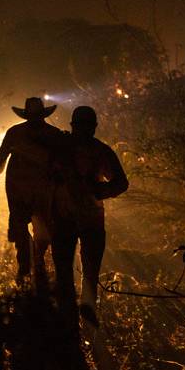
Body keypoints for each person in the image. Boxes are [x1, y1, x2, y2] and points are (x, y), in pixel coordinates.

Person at [51, 106, 128, 328]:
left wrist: (94, 190)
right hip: (73, 217)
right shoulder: (66, 149)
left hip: (83, 218)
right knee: (75, 272)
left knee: (83, 272)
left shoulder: (96, 151)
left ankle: (80, 320)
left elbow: (121, 183)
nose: (85, 130)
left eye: (87, 126)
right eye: (83, 126)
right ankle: (76, 320)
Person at [0, 97, 65, 290]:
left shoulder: (20, 132)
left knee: (31, 229)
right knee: (27, 228)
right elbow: (2, 155)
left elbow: (2, 155)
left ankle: (31, 264)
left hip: (32, 190)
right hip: (25, 190)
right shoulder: (51, 134)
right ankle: (29, 265)